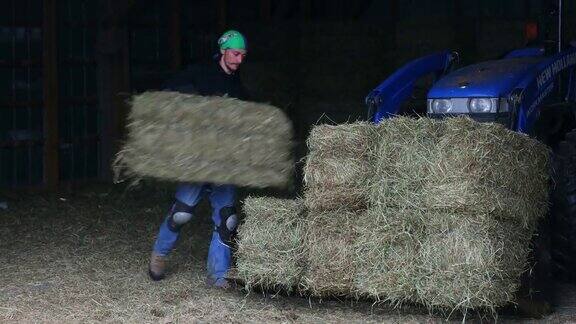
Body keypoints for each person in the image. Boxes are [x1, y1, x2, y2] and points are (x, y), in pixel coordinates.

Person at [148, 30, 248, 288]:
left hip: (224, 164)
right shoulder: (198, 73)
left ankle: (219, 275)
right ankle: (159, 255)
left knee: (228, 219)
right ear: (224, 51)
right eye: (236, 54)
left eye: (243, 56)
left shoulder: (237, 86)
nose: (239, 60)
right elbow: (168, 93)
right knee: (182, 213)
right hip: (198, 159)